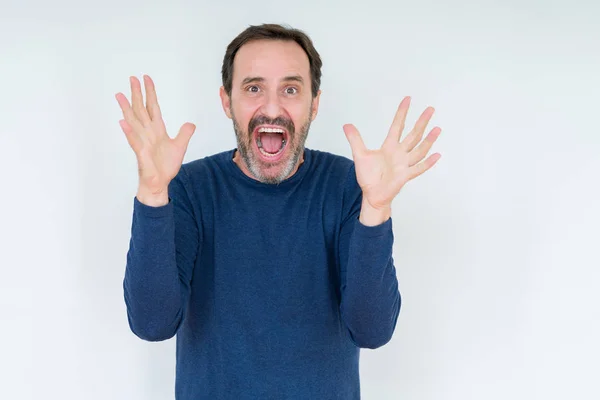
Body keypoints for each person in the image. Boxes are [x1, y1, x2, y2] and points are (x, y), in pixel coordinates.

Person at [115, 23, 441, 400]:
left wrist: (377, 208)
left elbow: (372, 330)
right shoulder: (189, 188)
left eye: (290, 89)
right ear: (227, 101)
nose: (272, 108)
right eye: (254, 88)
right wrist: (153, 193)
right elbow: (152, 323)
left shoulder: (351, 186)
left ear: (314, 104)